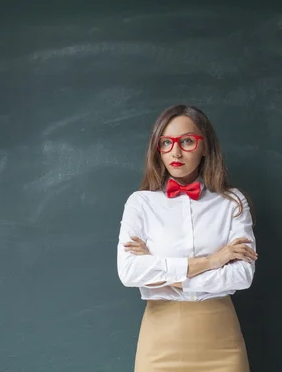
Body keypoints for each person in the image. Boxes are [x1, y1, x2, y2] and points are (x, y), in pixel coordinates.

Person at [116, 104, 258, 372]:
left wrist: (164, 272)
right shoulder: (140, 203)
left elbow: (242, 275)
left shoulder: (232, 202)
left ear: (205, 146)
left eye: (187, 141)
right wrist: (213, 261)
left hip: (221, 340)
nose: (176, 152)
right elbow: (129, 272)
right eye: (166, 143)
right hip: (159, 341)